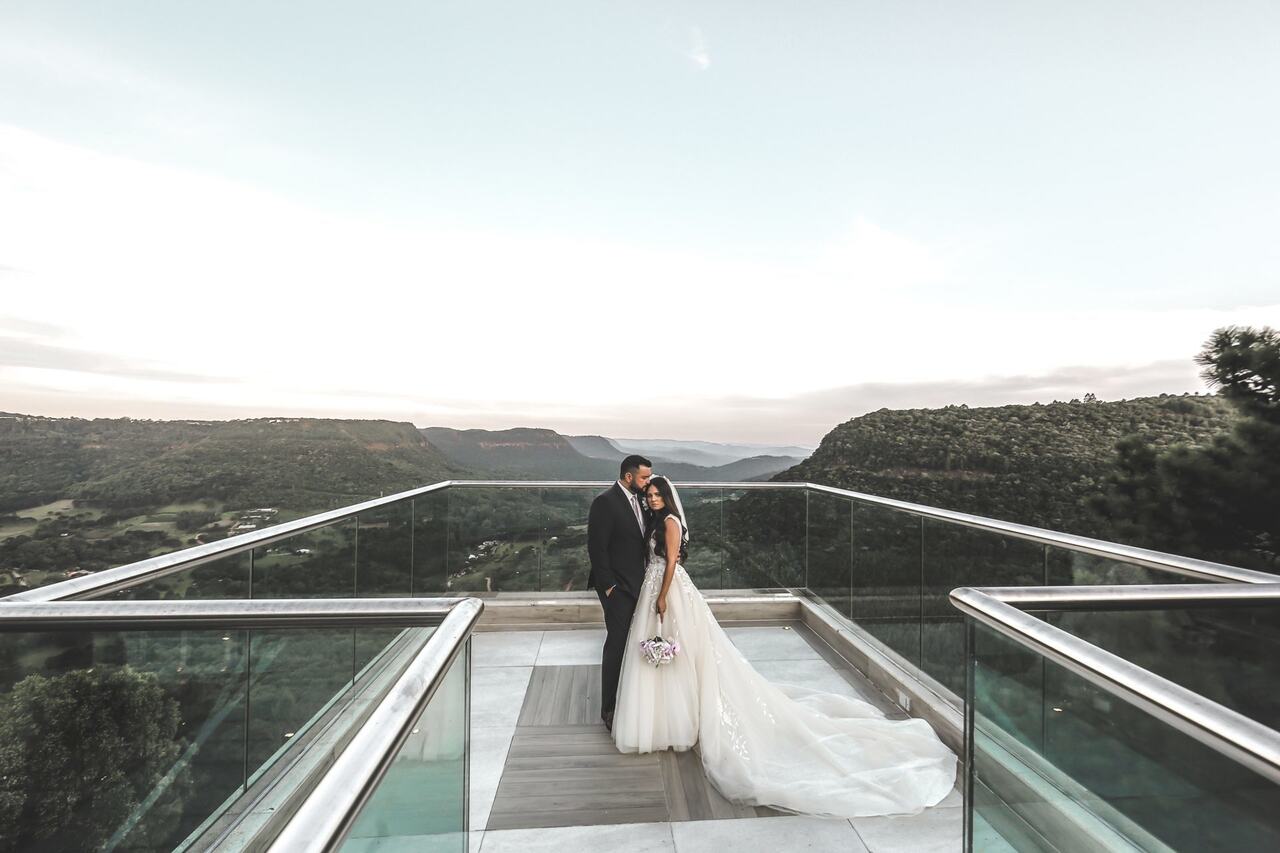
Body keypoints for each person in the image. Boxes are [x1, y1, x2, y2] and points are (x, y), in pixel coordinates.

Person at [611, 476, 957, 818]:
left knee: (683, 656)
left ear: (668, 498)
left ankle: (682, 720)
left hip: (669, 592)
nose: (652, 499)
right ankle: (669, 721)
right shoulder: (657, 520)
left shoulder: (670, 523)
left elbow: (671, 562)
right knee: (668, 657)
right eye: (649, 495)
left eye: (657, 495)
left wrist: (660, 597)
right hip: (655, 589)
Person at [586, 454, 652, 732]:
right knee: (617, 643)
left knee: (636, 641)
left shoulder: (646, 501)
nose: (648, 482)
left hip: (641, 584)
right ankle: (609, 709)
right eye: (644, 477)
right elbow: (596, 548)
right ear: (628, 477)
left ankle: (632, 700)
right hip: (617, 588)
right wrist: (610, 587)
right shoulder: (605, 502)